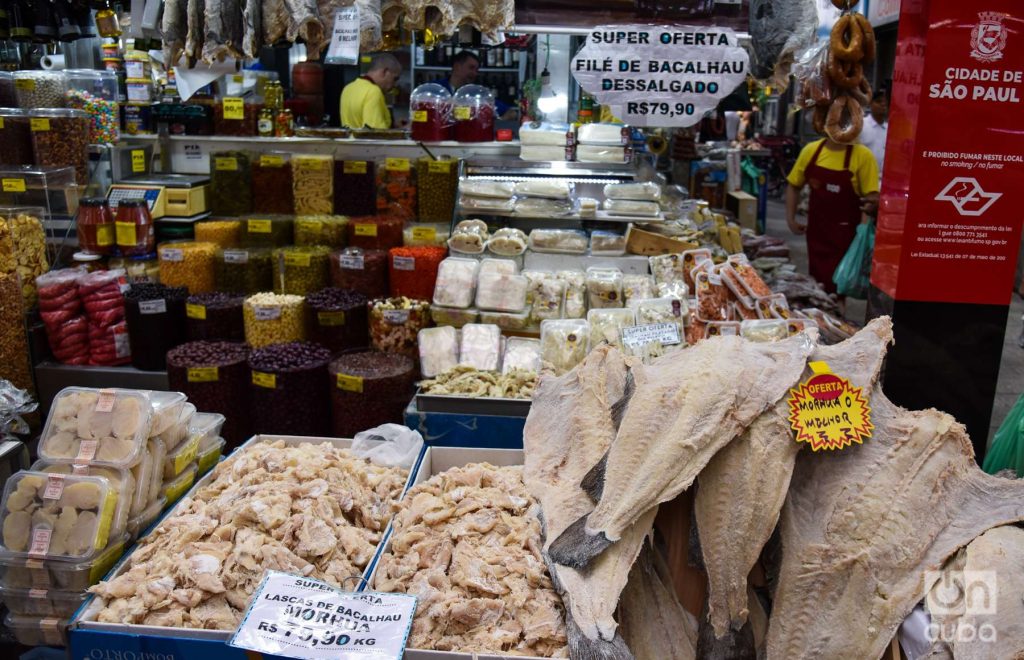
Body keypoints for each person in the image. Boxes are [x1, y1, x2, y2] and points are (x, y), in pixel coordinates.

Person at [785, 137, 880, 297]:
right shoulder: (811, 150)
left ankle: (837, 317)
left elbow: (870, 198)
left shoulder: (863, 155)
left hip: (846, 234)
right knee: (816, 284)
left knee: (839, 287)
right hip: (816, 231)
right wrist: (790, 218)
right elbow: (794, 185)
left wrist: (862, 235)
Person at [437, 50, 517, 120]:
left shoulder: (477, 93)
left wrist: (497, 122)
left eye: (476, 70)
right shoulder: (437, 88)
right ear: (457, 66)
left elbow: (511, 113)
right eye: (471, 68)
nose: (475, 74)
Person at [340, 53, 402, 129]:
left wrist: (393, 125)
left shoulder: (348, 88)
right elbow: (375, 133)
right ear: (385, 72)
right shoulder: (374, 91)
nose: (394, 84)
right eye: (395, 79)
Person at [859, 92, 889, 183]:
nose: (883, 105)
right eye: (879, 102)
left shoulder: (890, 129)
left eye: (885, 103)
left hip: (882, 181)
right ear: (870, 104)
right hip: (862, 178)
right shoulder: (861, 125)